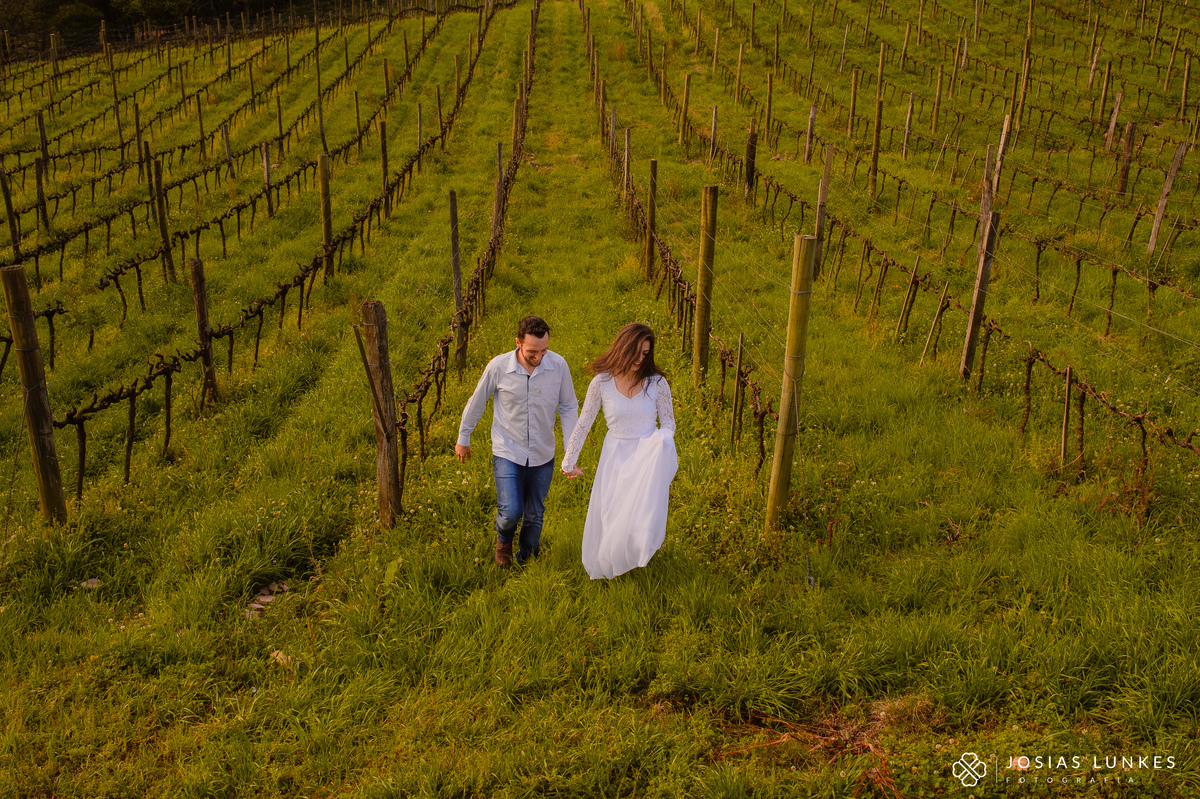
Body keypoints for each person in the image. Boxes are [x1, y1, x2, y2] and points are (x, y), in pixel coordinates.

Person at [457, 316, 579, 566]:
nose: (539, 357)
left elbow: (568, 407)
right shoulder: (499, 367)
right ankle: (504, 540)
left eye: (544, 350)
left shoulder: (558, 366)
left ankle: (527, 560)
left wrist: (571, 451)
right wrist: (463, 437)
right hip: (508, 450)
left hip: (543, 452)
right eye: (532, 352)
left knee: (535, 514)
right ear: (518, 343)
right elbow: (477, 401)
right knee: (511, 511)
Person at [561, 323, 677, 580]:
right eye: (635, 352)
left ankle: (633, 559)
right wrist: (569, 461)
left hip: (647, 456)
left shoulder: (657, 383)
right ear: (623, 348)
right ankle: (611, 561)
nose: (640, 359)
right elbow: (584, 422)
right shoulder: (601, 383)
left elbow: (669, 422)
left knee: (640, 514)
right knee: (612, 511)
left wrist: (661, 442)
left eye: (645, 353)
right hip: (615, 455)